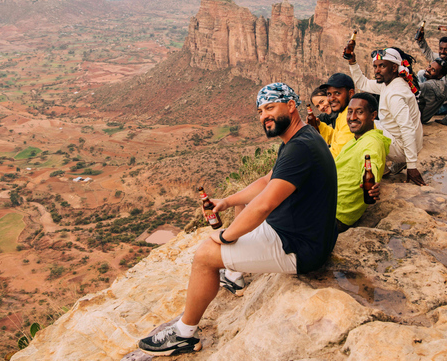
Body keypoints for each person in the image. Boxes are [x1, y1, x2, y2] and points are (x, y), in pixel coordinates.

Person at [137, 83, 338, 356]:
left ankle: (184, 334)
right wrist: (227, 201)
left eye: (270, 108)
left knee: (205, 255)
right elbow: (267, 181)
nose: (263, 116)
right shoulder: (302, 137)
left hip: (300, 248)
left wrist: (225, 237)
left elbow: (264, 205)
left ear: (291, 106)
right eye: (260, 111)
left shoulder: (299, 149)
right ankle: (234, 275)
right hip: (305, 232)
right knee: (242, 204)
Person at [346, 47, 426, 186]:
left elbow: (407, 129)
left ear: (394, 68)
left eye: (382, 66)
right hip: (404, 142)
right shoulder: (390, 84)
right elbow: (363, 83)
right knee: (367, 121)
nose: (377, 70)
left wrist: (412, 166)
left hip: (402, 147)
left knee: (360, 127)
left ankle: (383, 169)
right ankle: (396, 163)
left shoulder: (395, 95)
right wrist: (353, 62)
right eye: (375, 66)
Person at [335, 92, 390, 232]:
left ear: (373, 115)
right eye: (350, 112)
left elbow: (371, 163)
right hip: (326, 202)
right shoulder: (355, 140)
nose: (352, 117)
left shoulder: (371, 142)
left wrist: (373, 184)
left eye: (359, 112)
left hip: (335, 214)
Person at [415, 30, 447, 99]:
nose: (442, 52)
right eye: (441, 49)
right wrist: (421, 40)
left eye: (446, 49)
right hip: (442, 90)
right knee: (422, 74)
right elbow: (430, 54)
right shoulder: (445, 58)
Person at [314, 73, 356, 158]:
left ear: (351, 93)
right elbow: (336, 137)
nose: (331, 98)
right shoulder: (342, 113)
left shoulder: (352, 117)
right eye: (329, 94)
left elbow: (339, 153)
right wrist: (320, 126)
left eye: (337, 93)